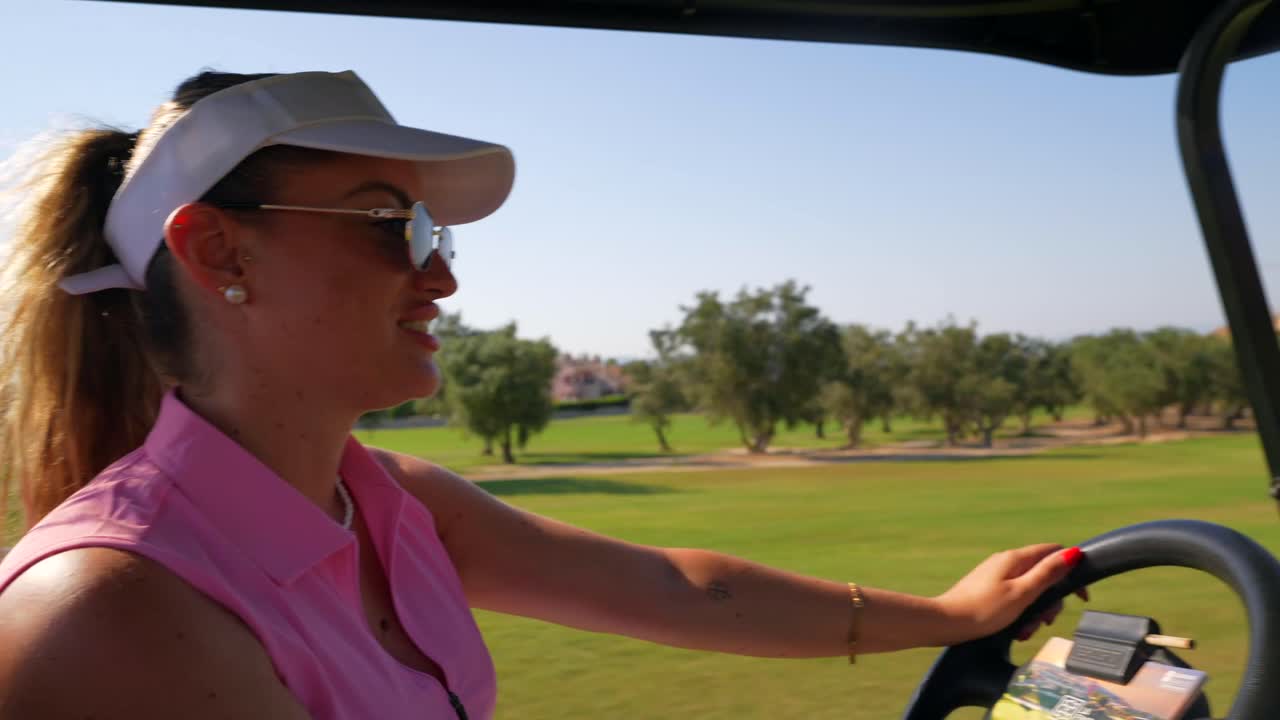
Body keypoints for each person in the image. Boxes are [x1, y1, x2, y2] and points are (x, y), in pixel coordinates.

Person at [0, 70, 1083, 719]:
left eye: (434, 231)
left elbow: (673, 589)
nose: (441, 275)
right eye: (391, 225)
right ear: (215, 246)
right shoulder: (107, 610)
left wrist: (947, 618)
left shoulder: (386, 501)